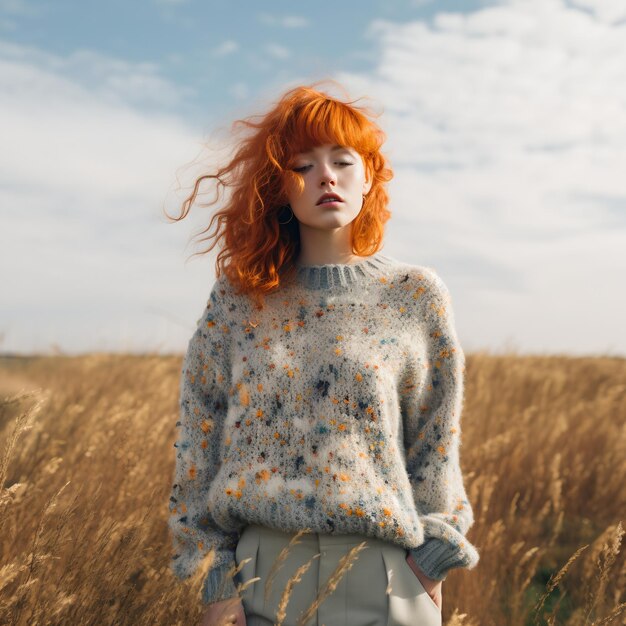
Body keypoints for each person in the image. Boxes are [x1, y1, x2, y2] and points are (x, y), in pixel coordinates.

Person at [166, 81, 479, 626]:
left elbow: (437, 441)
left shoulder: (414, 295)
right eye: (303, 165)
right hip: (258, 578)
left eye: (342, 160)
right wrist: (213, 579)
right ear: (278, 186)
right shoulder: (238, 300)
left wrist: (430, 563)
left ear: (368, 178)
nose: (326, 176)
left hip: (384, 575)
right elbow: (199, 440)